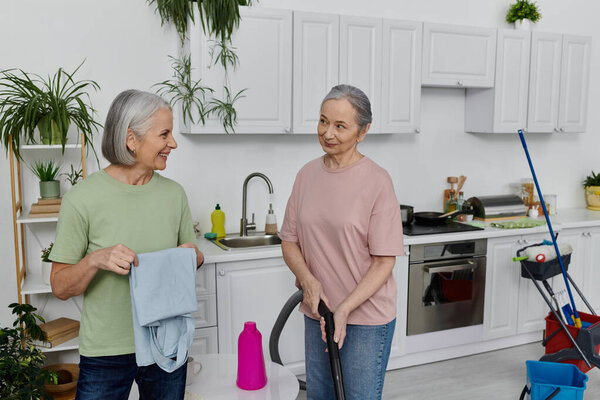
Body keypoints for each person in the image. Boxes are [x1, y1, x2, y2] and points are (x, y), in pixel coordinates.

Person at [49, 89, 204, 400]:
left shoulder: (175, 195)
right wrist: (96, 259)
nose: (172, 143)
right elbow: (60, 287)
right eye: (164, 134)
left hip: (167, 344)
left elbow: (192, 253)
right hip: (106, 351)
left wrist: (192, 257)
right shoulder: (82, 199)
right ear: (132, 140)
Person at [279, 84, 404, 400]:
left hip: (365, 318)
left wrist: (346, 308)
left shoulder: (377, 181)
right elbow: (289, 241)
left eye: (340, 126)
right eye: (323, 121)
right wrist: (308, 282)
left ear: (362, 132)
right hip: (318, 311)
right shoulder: (306, 175)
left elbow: (384, 261)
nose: (327, 133)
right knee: (319, 396)